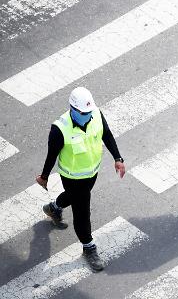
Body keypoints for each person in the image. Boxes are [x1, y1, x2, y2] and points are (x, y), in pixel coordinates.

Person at [36, 87, 125, 271]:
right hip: (72, 177)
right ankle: (88, 247)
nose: (87, 115)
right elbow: (51, 155)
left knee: (76, 196)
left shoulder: (96, 114)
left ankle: (54, 208)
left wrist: (118, 158)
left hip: (91, 173)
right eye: (83, 113)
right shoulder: (60, 129)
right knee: (82, 211)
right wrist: (44, 177)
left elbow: (106, 134)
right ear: (72, 109)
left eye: (88, 111)